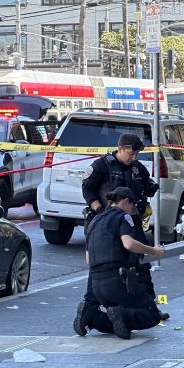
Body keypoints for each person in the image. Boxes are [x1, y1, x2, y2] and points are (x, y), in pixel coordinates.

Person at [74, 133, 160, 335]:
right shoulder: (102, 165)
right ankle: (90, 306)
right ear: (120, 148)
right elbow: (88, 189)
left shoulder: (137, 168)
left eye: (137, 153)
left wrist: (149, 188)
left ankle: (145, 305)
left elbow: (147, 185)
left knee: (138, 262)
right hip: (105, 220)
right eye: (131, 153)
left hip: (131, 219)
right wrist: (100, 213)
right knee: (102, 261)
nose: (134, 157)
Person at [83, 187, 165, 340]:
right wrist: (154, 251)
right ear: (126, 201)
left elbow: (88, 259)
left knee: (115, 317)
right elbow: (128, 244)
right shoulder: (123, 217)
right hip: (117, 280)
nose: (132, 210)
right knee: (152, 314)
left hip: (95, 285)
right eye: (132, 206)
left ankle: (92, 317)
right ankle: (122, 315)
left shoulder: (94, 221)